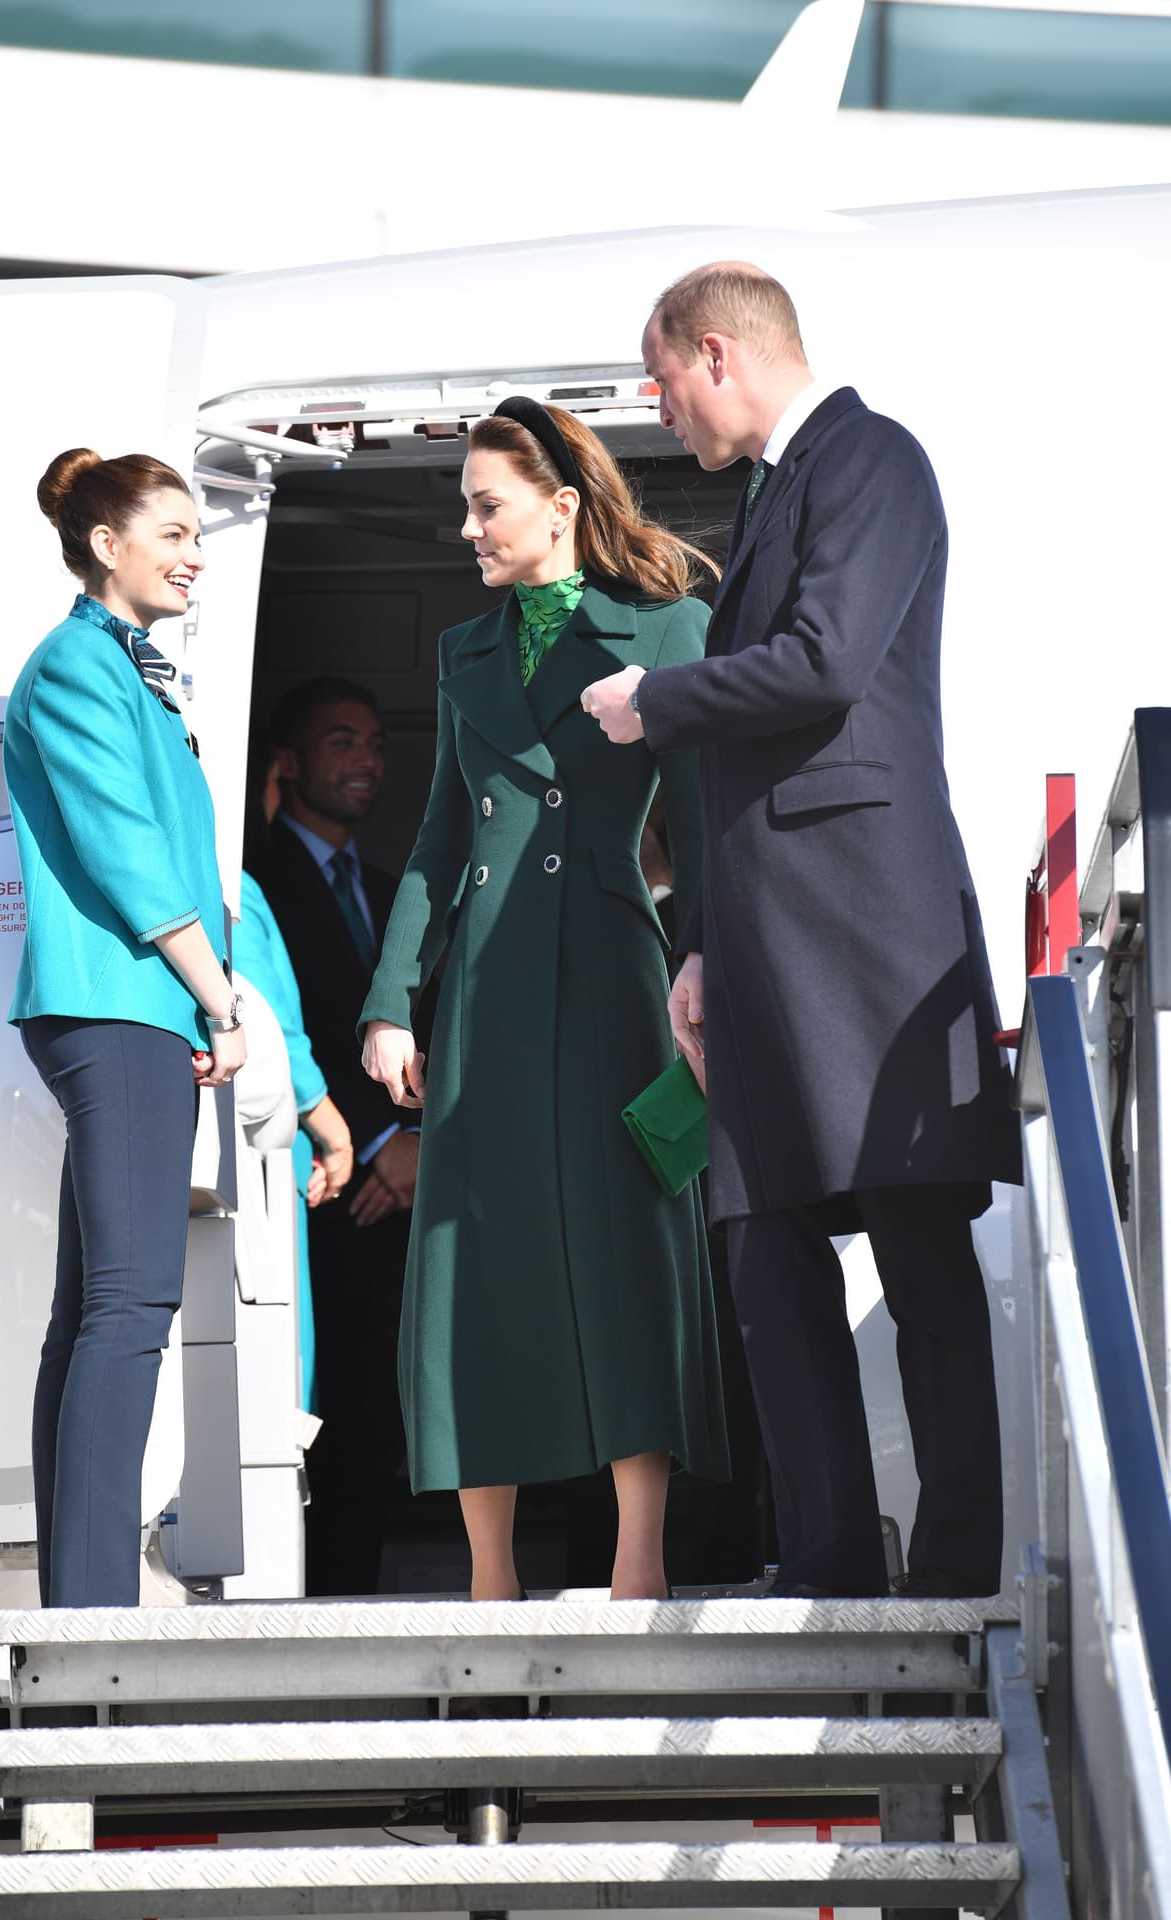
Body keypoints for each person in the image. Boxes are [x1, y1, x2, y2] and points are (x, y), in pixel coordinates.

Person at [581, 263, 1021, 1601]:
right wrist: (703, 944)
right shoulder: (782, 489)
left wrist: (659, 696)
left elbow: (827, 662)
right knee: (763, 1252)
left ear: (718, 354)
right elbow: (746, 775)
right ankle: (829, 1558)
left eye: (660, 380)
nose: (663, 411)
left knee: (918, 1256)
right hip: (774, 946)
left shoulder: (870, 458)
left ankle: (949, 1571)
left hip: (867, 934)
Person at [360, 397, 731, 1602]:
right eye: (465, 506)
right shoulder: (463, 650)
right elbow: (433, 837)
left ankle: (638, 1560)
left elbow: (711, 824)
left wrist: (707, 955)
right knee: (476, 1259)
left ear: (561, 507)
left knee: (626, 1246)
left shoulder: (670, 629)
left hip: (618, 972)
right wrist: (389, 1001)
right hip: (484, 982)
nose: (466, 528)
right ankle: (486, 1575)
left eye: (484, 505)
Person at [5, 448, 245, 1608]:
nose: (196, 553)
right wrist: (216, 993)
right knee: (130, 1301)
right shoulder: (75, 669)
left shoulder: (123, 668)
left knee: (98, 1304)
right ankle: (92, 1608)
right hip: (116, 1001)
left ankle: (80, 1591)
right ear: (107, 545)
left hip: (132, 1004)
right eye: (175, 533)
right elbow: (129, 856)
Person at [251, 678, 421, 1596]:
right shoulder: (250, 880)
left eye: (376, 743)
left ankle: (362, 1608)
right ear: (290, 762)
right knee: (307, 1412)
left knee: (376, 1420)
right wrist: (372, 1138)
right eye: (342, 742)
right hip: (309, 1187)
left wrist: (415, 1143)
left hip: (400, 1195)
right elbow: (283, 1025)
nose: (366, 761)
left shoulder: (395, 893)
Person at [233, 859, 355, 1415]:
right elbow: (261, 1019)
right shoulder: (228, 881)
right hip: (259, 1153)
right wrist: (333, 1131)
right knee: (275, 1364)